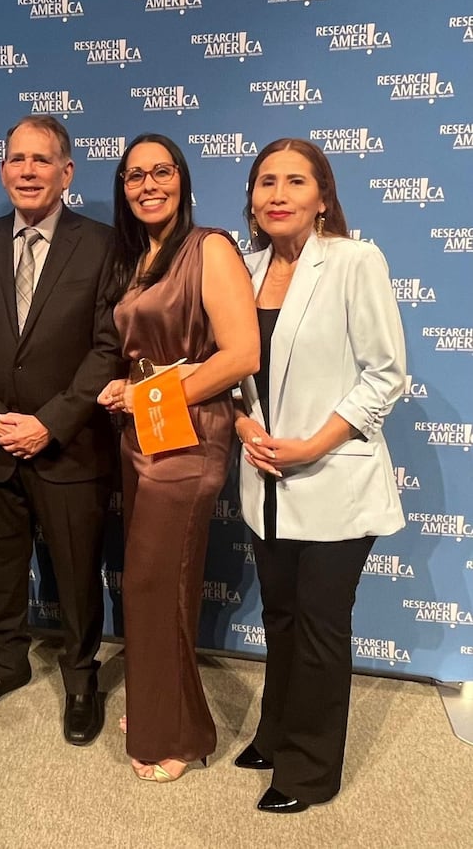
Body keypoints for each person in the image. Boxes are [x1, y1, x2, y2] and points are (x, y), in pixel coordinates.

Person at [232, 138, 406, 812]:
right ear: (251, 197)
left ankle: (308, 771)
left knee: (319, 626)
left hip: (334, 478)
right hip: (265, 481)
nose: (277, 194)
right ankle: (275, 733)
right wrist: (243, 426)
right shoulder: (242, 269)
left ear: (323, 197)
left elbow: (385, 375)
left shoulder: (354, 261)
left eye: (295, 181)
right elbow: (230, 371)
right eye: (265, 181)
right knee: (280, 616)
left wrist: (311, 445)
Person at [0, 114, 124, 745]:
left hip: (69, 445)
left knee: (76, 572)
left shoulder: (102, 245)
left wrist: (49, 423)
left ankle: (80, 678)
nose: (27, 171)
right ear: (2, 171)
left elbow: (108, 347)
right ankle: (5, 662)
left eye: (41, 160)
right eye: (16, 159)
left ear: (66, 172)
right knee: (1, 563)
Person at [97, 134, 259, 781]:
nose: (148, 185)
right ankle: (158, 705)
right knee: (153, 583)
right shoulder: (139, 257)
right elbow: (143, 354)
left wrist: (148, 394)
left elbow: (240, 355)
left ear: (182, 180)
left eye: (160, 171)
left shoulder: (208, 247)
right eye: (134, 175)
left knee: (155, 581)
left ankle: (177, 734)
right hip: (144, 431)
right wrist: (128, 389)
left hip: (189, 436)